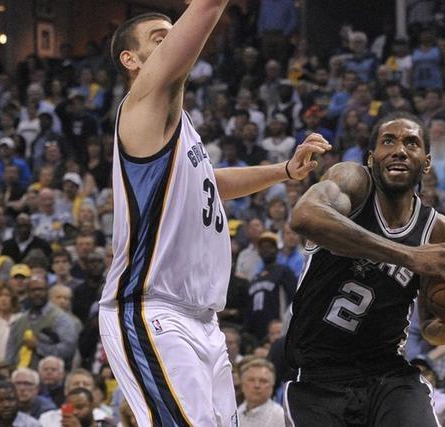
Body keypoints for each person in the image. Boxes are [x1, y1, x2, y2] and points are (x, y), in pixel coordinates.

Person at [100, 5, 329, 426]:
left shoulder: (178, 124)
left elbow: (208, 182)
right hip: (152, 308)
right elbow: (205, 9)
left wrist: (284, 170)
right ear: (130, 60)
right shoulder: (141, 105)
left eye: (175, 32)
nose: (175, 40)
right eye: (160, 38)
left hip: (204, 319)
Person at [284, 112, 445, 426]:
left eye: (412, 143)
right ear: (371, 157)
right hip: (318, 376)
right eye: (388, 141)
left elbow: (431, 329)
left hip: (388, 374)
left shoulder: (435, 229)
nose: (399, 150)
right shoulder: (353, 182)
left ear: (427, 163)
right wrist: (408, 255)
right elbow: (304, 217)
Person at [237, 359, 284, 427]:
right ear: (242, 384)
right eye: (251, 380)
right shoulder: (235, 413)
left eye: (263, 381)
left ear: (272, 385)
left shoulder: (281, 418)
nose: (257, 385)